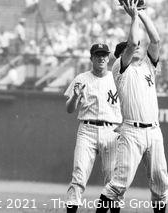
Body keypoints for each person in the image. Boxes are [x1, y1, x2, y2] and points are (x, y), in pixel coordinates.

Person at [95, 1, 168, 213]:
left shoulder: (148, 67)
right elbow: (134, 41)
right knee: (119, 184)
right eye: (131, 48)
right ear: (122, 54)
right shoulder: (119, 68)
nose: (137, 48)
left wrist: (143, 13)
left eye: (137, 48)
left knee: (161, 183)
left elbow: (156, 39)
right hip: (132, 132)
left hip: (154, 131)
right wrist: (134, 16)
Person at [64, 43, 122, 213]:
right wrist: (75, 97)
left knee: (113, 180)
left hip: (112, 131)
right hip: (87, 130)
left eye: (104, 55)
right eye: (98, 55)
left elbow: (128, 103)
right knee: (78, 175)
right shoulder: (81, 78)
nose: (102, 58)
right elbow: (69, 109)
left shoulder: (117, 77)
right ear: (91, 58)